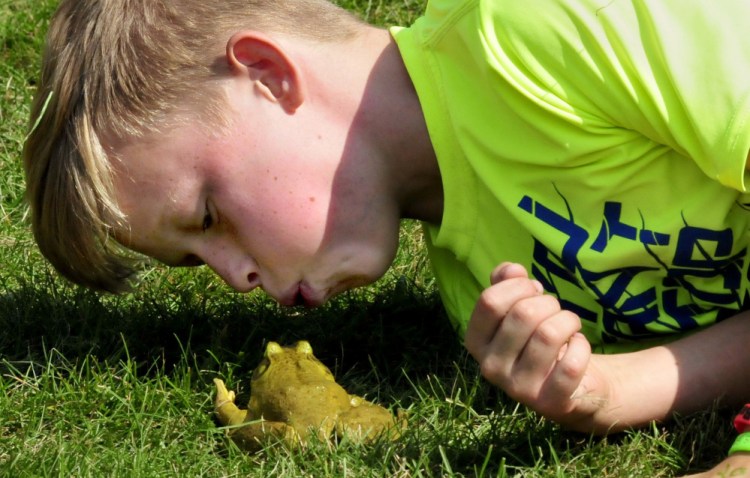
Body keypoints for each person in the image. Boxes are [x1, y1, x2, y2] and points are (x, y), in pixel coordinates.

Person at [22, 0, 750, 466]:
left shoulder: (539, 32)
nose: (234, 278)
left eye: (208, 216)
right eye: (193, 259)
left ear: (270, 75)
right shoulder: (476, 290)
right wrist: (610, 392)